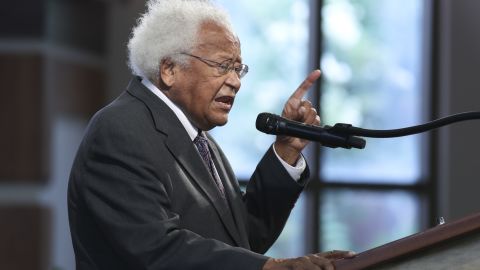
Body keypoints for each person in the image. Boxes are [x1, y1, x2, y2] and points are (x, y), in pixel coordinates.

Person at [68, 0, 355, 269]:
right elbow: (155, 248)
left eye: (238, 69)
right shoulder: (120, 129)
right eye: (222, 66)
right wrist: (268, 267)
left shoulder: (199, 139)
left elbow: (241, 238)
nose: (235, 82)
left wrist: (287, 150)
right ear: (169, 69)